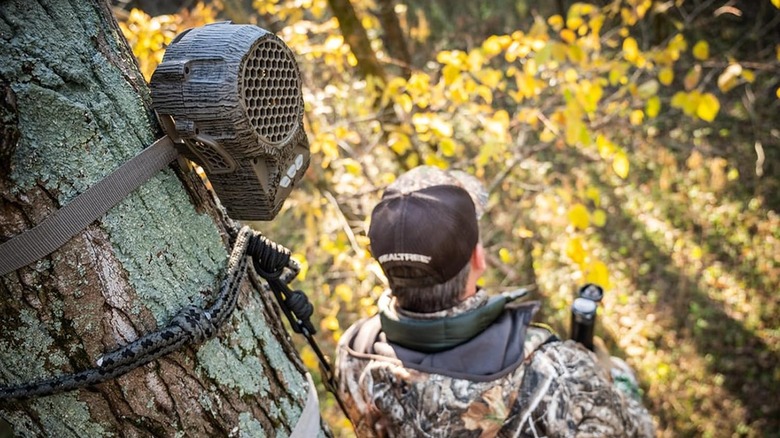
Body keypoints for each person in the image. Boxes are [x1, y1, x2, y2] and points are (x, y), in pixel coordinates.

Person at [335, 166, 655, 437]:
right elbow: (638, 430)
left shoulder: (353, 352)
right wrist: (616, 376)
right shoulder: (559, 374)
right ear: (478, 258)